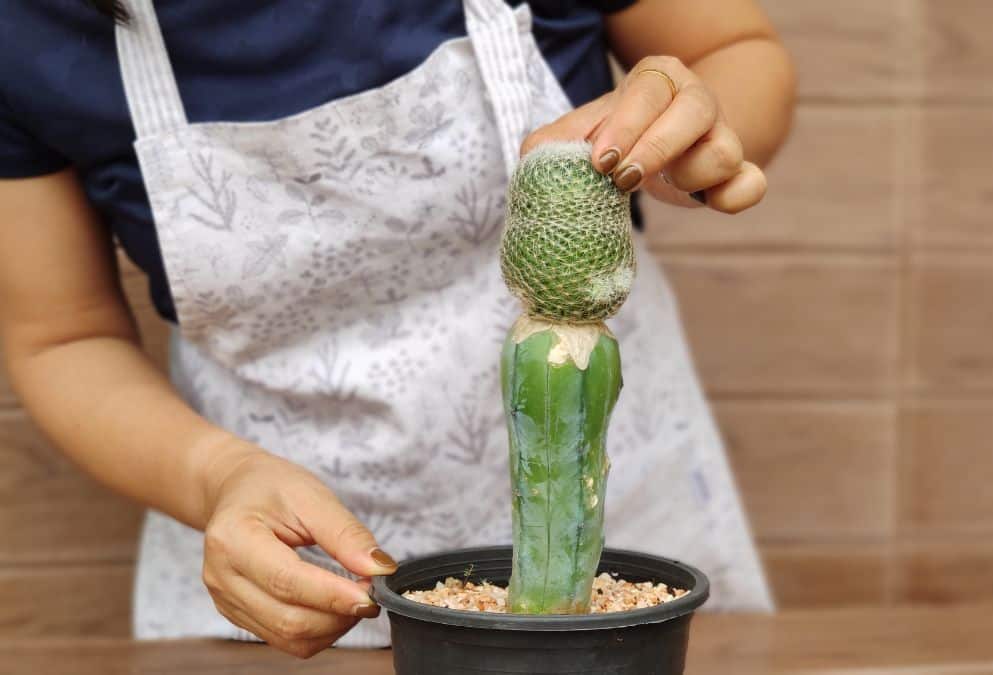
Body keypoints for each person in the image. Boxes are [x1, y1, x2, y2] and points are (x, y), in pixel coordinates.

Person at [0, 0, 795, 658]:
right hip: (282, 574)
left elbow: (735, 47)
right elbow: (61, 334)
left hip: (627, 569)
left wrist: (686, 131)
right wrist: (215, 478)